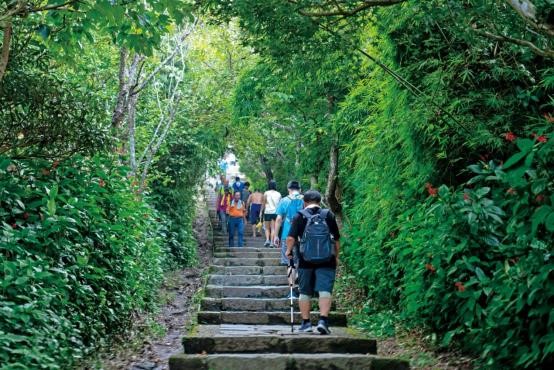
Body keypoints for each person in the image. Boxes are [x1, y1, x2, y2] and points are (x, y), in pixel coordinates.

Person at [285, 190, 340, 335]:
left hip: (305, 259)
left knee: (305, 291)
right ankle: (323, 321)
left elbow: (291, 238)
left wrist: (289, 251)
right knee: (325, 290)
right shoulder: (328, 215)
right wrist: (336, 256)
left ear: (305, 202)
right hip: (327, 258)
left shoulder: (299, 215)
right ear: (320, 201)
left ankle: (306, 323)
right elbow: (336, 239)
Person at [274, 180, 304, 266]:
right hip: (302, 234)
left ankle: (288, 277)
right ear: (300, 189)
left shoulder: (284, 200)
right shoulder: (305, 199)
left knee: (286, 261)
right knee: (300, 260)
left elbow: (279, 219)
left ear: (288, 189)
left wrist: (276, 236)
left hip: (287, 234)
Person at [260, 180, 281, 247]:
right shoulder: (279, 194)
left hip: (267, 212)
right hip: (275, 212)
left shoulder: (266, 193)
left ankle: (267, 240)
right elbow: (280, 204)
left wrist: (261, 211)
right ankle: (272, 242)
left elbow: (263, 203)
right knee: (273, 228)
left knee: (267, 228)